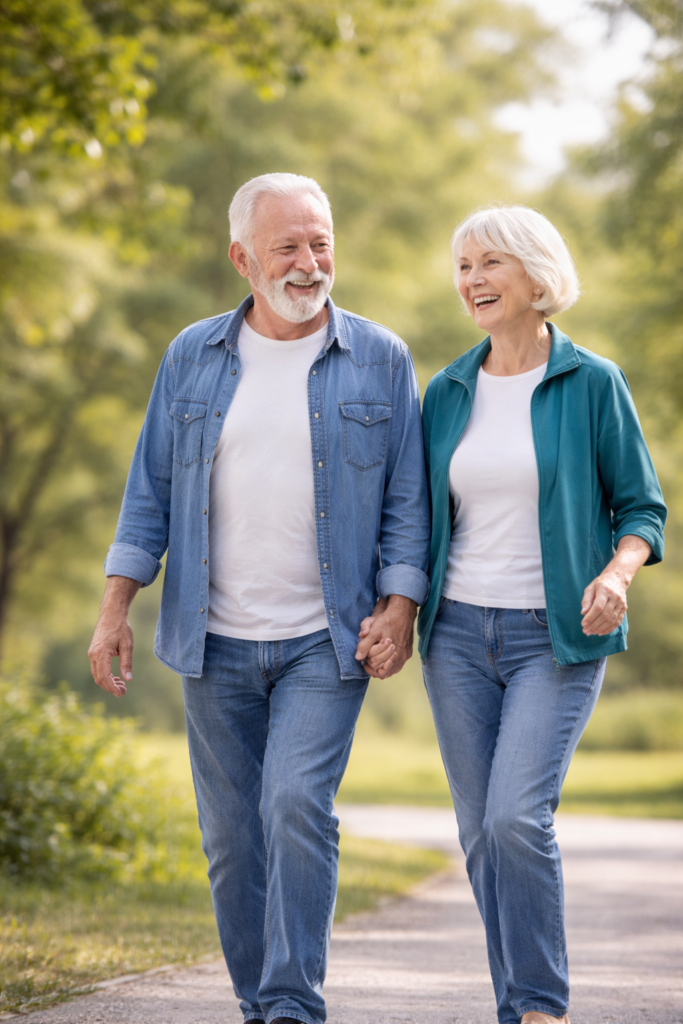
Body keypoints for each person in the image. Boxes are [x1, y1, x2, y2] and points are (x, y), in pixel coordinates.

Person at [88, 172, 430, 1024]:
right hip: (214, 639)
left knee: (293, 805)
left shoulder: (379, 358)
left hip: (327, 636)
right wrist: (114, 607)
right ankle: (255, 1003)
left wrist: (399, 605)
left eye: (321, 243)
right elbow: (149, 492)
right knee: (233, 841)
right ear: (242, 257)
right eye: (288, 247)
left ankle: (289, 1005)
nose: (310, 263)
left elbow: (407, 500)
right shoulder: (191, 356)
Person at [364, 204, 667, 1024]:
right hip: (457, 636)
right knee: (479, 835)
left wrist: (618, 571)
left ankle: (538, 1007)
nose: (470, 282)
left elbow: (642, 508)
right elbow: (415, 519)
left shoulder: (591, 382)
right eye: (462, 267)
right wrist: (396, 612)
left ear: (536, 276)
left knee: (513, 818)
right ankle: (520, 1005)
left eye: (488, 264)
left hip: (556, 636)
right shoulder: (448, 390)